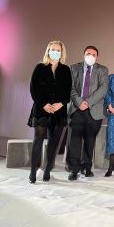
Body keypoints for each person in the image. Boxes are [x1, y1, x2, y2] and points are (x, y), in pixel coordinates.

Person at [28, 40, 72, 183]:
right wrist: (44, 104)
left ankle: (47, 170)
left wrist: (60, 104)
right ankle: (33, 172)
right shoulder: (40, 68)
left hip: (59, 112)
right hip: (41, 110)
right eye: (52, 49)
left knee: (53, 142)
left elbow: (68, 91)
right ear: (48, 51)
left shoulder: (65, 70)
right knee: (38, 141)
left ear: (61, 53)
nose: (55, 52)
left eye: (58, 50)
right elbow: (33, 89)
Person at [67, 45, 108, 180]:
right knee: (75, 140)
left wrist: (88, 102)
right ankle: (74, 169)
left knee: (90, 141)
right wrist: (79, 102)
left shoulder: (102, 70)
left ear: (97, 57)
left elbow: (103, 89)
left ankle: (87, 167)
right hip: (77, 110)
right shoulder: (74, 68)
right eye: (88, 53)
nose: (90, 56)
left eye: (93, 54)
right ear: (84, 55)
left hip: (94, 110)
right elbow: (70, 87)